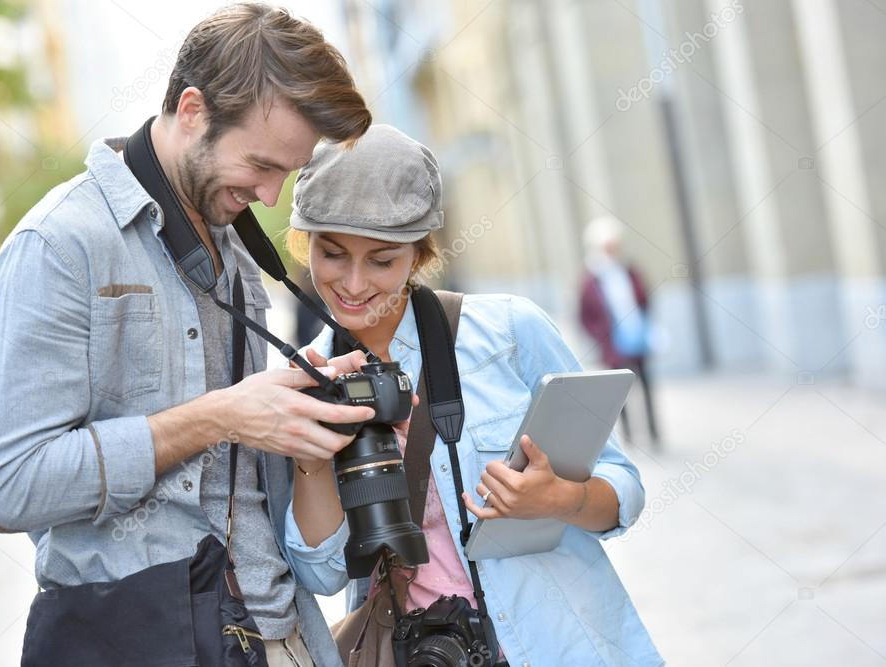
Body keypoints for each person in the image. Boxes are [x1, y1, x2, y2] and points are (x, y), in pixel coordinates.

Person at [0, 3, 378, 667]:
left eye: (288, 173)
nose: (272, 197)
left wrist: (308, 418)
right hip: (142, 640)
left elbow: (250, 494)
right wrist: (219, 416)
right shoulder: (57, 246)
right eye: (262, 164)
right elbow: (8, 482)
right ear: (193, 109)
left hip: (280, 636)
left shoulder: (237, 256)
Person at [281, 125, 663, 665]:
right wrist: (310, 453)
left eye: (383, 260)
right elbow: (320, 574)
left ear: (419, 255)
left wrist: (562, 499)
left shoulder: (510, 331)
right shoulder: (304, 380)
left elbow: (624, 488)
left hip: (564, 647)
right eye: (333, 254)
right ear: (306, 245)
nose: (354, 283)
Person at [578, 217, 661, 446]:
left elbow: (644, 298)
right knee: (621, 391)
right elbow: (584, 315)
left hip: (636, 338)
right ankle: (630, 436)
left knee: (646, 384)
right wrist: (601, 338)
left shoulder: (629, 270)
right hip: (612, 343)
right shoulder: (591, 279)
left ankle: (654, 432)